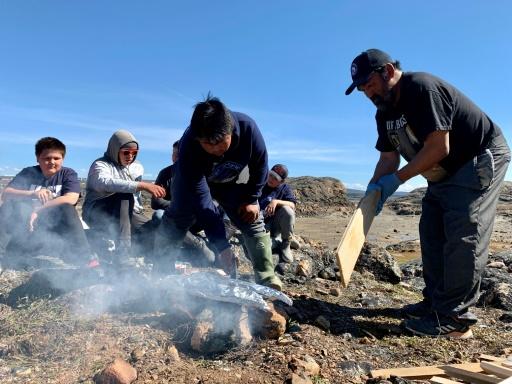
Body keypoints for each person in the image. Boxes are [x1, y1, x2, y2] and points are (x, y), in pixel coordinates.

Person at [345, 48, 510, 338]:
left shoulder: (421, 88)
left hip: (477, 156)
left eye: (369, 84)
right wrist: (372, 193)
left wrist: (395, 181)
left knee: (463, 229)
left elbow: (438, 147)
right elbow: (388, 159)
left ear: (387, 71)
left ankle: (455, 318)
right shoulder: (383, 112)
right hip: (441, 169)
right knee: (431, 228)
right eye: (361, 89)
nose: (366, 92)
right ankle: (435, 304)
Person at [154, 95, 283, 290]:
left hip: (228, 181)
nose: (214, 150)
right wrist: (222, 246)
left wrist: (252, 198)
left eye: (220, 143)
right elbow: (202, 201)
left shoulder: (248, 128)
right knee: (178, 216)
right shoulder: (188, 145)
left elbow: (260, 166)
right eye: (207, 144)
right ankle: (161, 271)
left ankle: (266, 276)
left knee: (251, 217)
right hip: (192, 181)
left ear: (230, 130)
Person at [0, 137, 97, 268]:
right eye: (46, 158)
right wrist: (32, 193)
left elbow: (71, 198)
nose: (51, 162)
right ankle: (3, 256)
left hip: (54, 233)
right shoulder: (29, 172)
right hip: (26, 231)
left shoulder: (67, 174)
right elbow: (6, 194)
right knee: (9, 206)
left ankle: (84, 259)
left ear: (62, 159)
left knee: (66, 208)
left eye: (56, 158)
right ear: (37, 158)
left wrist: (38, 210)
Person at [82, 130, 165, 261]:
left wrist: (138, 211)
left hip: (126, 213)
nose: (130, 156)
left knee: (153, 229)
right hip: (98, 211)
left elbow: (135, 198)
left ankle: (196, 247)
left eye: (134, 153)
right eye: (126, 152)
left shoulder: (136, 167)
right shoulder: (100, 164)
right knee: (124, 195)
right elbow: (104, 183)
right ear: (115, 149)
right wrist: (142, 185)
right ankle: (123, 254)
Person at [151, 140, 215, 265]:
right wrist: (178, 206)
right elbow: (155, 201)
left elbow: (211, 199)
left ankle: (217, 251)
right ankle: (198, 244)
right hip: (173, 217)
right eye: (174, 154)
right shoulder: (165, 173)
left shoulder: (200, 173)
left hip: (195, 217)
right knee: (158, 215)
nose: (176, 157)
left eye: (179, 154)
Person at [259, 163, 297, 263]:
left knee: (287, 210)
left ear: (282, 181)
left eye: (275, 178)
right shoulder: (260, 183)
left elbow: (292, 204)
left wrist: (275, 201)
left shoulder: (285, 188)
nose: (271, 179)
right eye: (270, 175)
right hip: (260, 225)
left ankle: (286, 245)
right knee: (260, 248)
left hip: (275, 225)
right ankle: (277, 241)